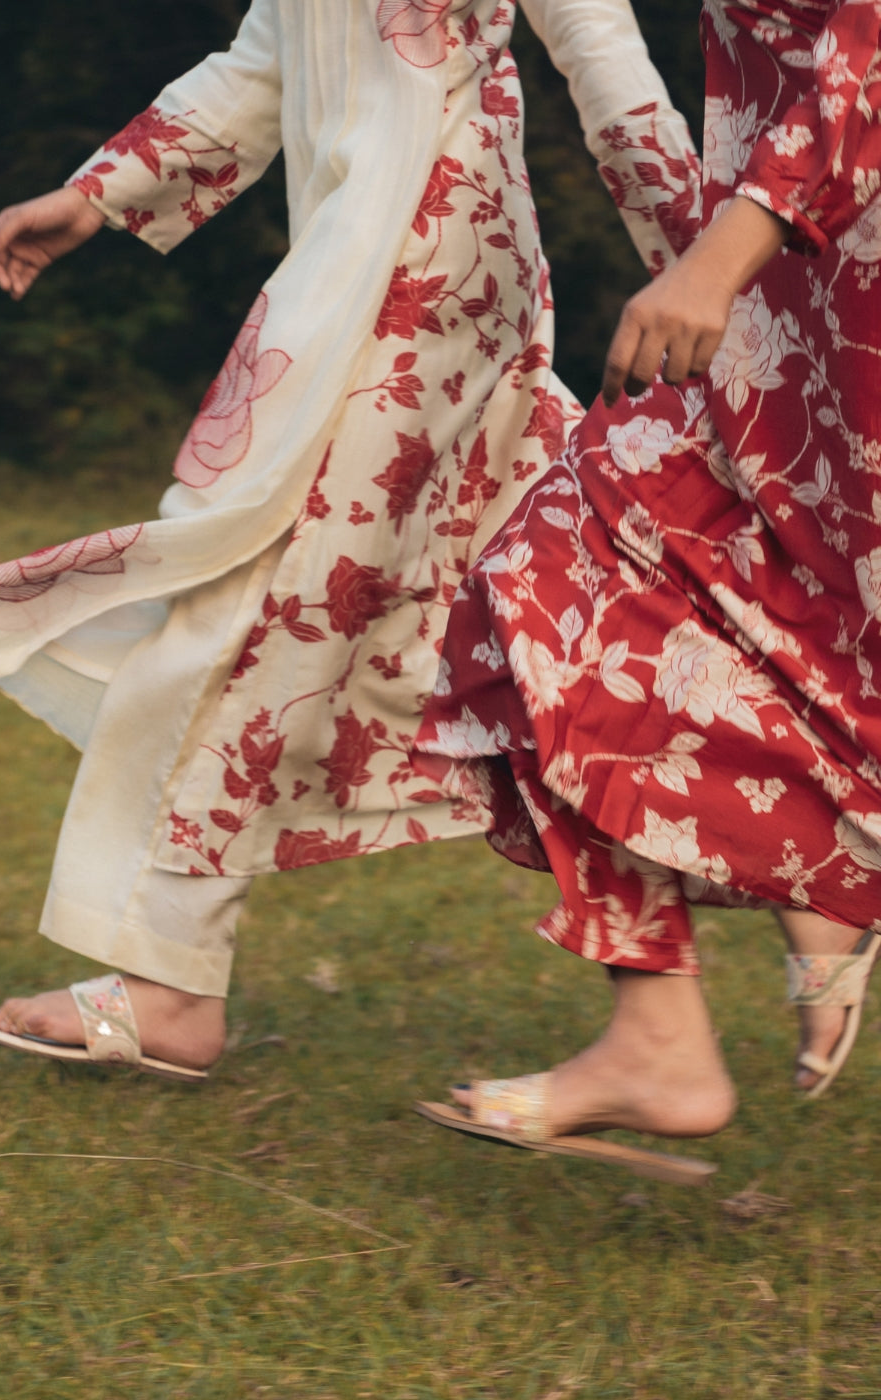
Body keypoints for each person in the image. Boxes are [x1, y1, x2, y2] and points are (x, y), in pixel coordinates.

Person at [0, 0, 699, 1081]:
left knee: (245, 589)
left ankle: (168, 986)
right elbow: (264, 61)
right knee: (536, 614)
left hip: (429, 283)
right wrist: (97, 194)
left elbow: (604, 60)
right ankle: (735, 935)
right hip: (357, 271)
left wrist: (713, 274)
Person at [413, 0, 881, 1182]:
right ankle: (658, 1036)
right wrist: (704, 255)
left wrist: (713, 261)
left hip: (823, 283)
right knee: (554, 566)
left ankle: (829, 870)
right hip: (792, 305)